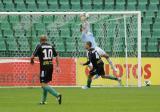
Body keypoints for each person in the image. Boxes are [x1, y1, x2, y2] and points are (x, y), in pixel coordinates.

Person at [80, 13, 117, 78]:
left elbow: (87, 25)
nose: (84, 29)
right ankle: (97, 73)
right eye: (82, 29)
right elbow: (84, 27)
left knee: (107, 56)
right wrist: (83, 20)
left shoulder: (89, 33)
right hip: (91, 51)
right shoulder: (83, 36)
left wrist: (85, 19)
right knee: (90, 65)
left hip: (96, 48)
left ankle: (113, 68)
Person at [30, 35, 62, 105]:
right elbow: (56, 55)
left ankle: (57, 95)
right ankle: (43, 101)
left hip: (44, 67)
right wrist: (58, 66)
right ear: (46, 40)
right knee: (45, 83)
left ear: (40, 40)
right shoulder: (51, 46)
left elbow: (32, 56)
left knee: (43, 84)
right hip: (51, 66)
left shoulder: (39, 46)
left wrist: (31, 60)